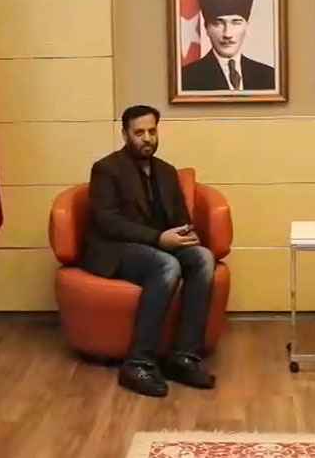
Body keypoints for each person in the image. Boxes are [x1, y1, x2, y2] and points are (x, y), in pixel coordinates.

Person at [81, 105, 216, 397]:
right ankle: (137, 363)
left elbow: (180, 216)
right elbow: (107, 221)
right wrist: (157, 238)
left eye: (152, 131)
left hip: (159, 245)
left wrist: (185, 233)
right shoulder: (106, 169)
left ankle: (183, 356)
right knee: (166, 265)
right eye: (139, 132)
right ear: (125, 134)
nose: (147, 138)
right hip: (117, 249)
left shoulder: (166, 172)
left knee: (203, 258)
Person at [181, 0, 276, 91]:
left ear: (247, 26)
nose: (227, 34)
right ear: (206, 28)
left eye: (236, 22)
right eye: (218, 23)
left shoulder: (269, 76)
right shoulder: (186, 78)